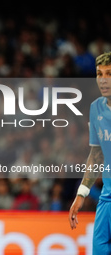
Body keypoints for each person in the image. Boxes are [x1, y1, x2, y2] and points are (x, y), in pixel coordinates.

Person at [69, 52, 111, 254]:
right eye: (99, 74)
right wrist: (81, 194)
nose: (103, 80)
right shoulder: (96, 108)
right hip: (106, 199)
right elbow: (96, 156)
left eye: (109, 74)